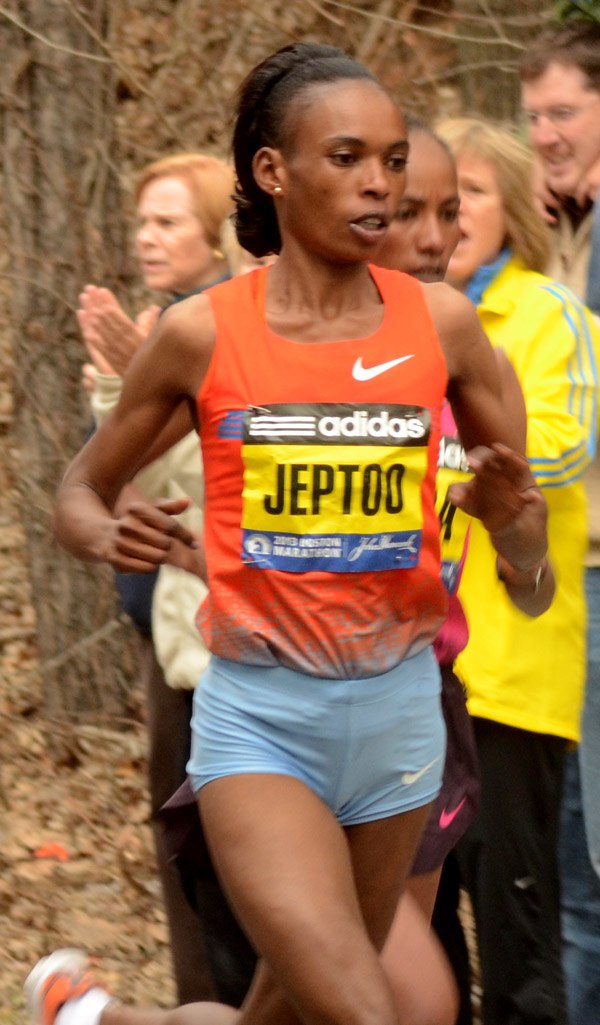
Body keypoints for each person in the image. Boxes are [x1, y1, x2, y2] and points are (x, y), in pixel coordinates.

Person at [27, 42, 550, 1025]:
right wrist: (107, 533)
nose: (379, 184)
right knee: (372, 1010)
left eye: (392, 159)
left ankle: (99, 1017)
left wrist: (513, 524)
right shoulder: (206, 333)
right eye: (348, 157)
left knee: (289, 1013)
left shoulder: (444, 329)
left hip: (403, 723)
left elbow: (531, 578)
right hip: (264, 722)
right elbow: (79, 494)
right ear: (273, 171)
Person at [432, 115, 600, 1025]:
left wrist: (453, 462)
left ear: (515, 212)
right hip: (409, 673)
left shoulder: (551, 317)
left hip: (511, 676)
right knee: (418, 937)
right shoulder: (394, 320)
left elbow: (559, 459)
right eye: (435, 201)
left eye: (474, 196)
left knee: (517, 934)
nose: (451, 218)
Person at [79, 152, 237, 1004]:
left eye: (168, 221)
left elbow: (188, 479)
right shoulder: (162, 322)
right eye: (141, 221)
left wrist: (128, 383)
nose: (147, 237)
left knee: (223, 862)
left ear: (218, 229)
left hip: (221, 632)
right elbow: (110, 483)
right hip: (166, 626)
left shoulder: (221, 325)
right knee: (184, 853)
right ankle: (197, 1005)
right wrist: (118, 383)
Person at [519, 21, 600, 1025]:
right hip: (558, 574)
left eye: (565, 112)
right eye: (532, 115)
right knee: (571, 859)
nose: (543, 133)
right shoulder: (558, 239)